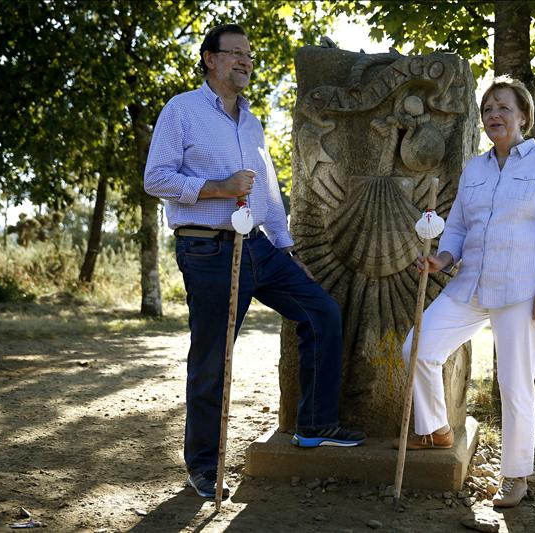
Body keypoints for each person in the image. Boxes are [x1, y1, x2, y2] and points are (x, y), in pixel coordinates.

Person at [144, 23, 365, 500]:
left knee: (321, 311)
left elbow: (266, 191)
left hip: (260, 248)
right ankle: (204, 466)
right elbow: (155, 178)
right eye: (235, 53)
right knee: (212, 358)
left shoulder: (252, 121)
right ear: (209, 59)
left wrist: (287, 249)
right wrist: (217, 188)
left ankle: (315, 424)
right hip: (207, 249)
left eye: (249, 54)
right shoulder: (181, 110)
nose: (245, 61)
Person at [398, 75, 535, 508]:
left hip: (523, 287)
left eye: (504, 107)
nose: (494, 114)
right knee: (417, 347)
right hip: (471, 281)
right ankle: (437, 428)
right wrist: (442, 259)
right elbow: (457, 225)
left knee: (515, 384)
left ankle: (515, 474)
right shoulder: (475, 169)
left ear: (524, 117)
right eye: (488, 109)